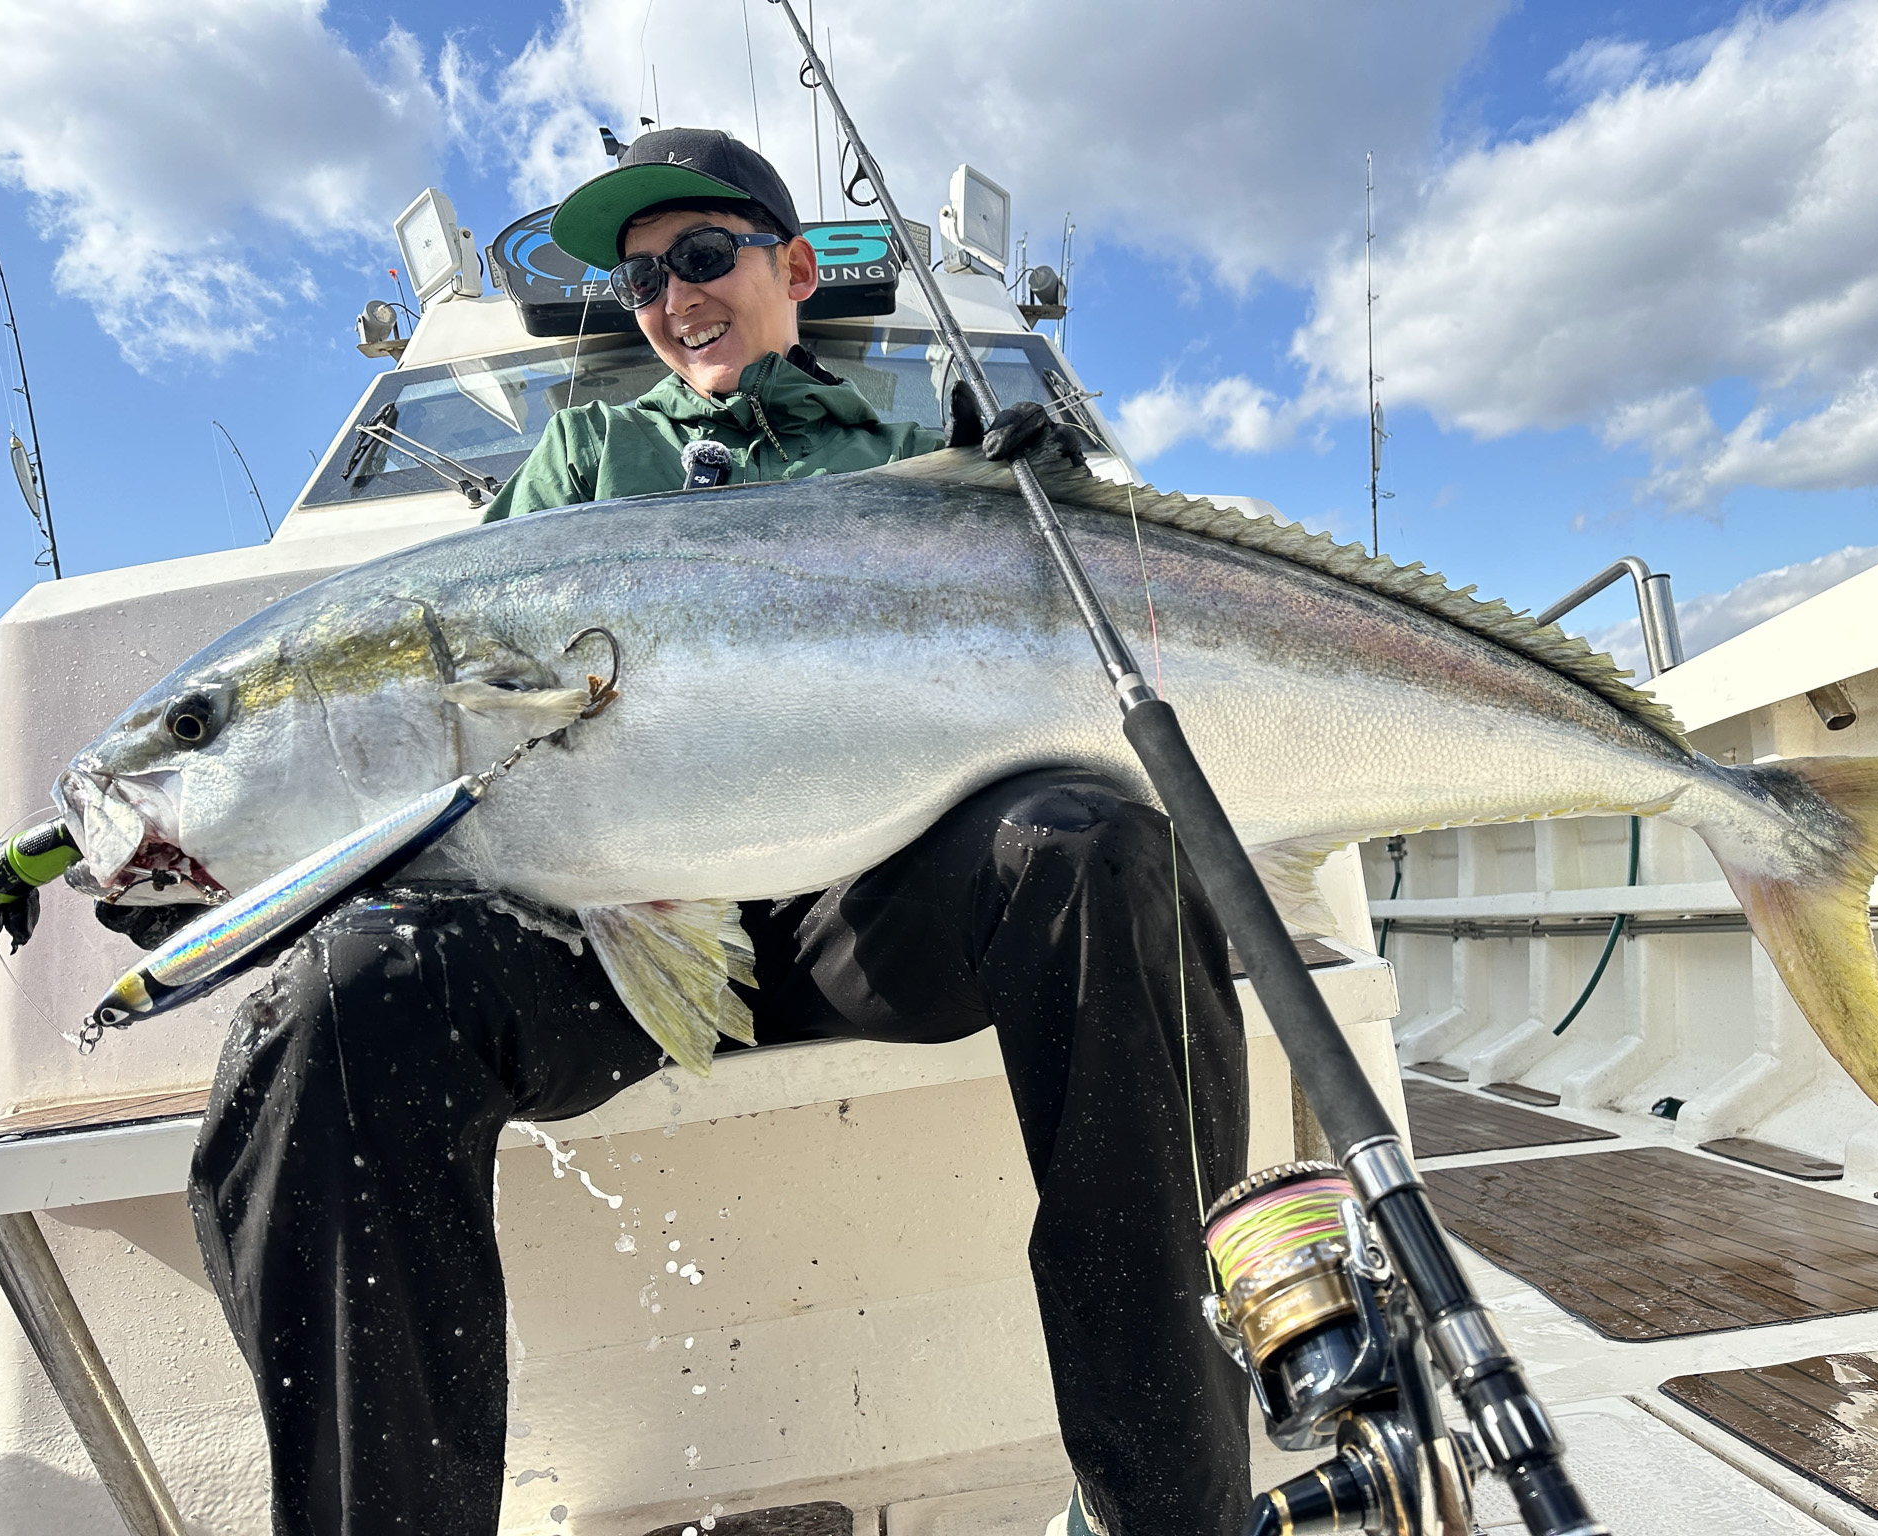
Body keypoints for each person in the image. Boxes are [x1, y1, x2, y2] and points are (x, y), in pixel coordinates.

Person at [130, 130, 1250, 1536]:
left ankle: (1176, 1511)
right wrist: (215, 848)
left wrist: (1042, 501)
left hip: (866, 909)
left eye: (703, 256)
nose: (672, 295)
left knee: (1101, 852)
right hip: (610, 933)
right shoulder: (579, 457)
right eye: (644, 279)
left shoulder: (915, 457)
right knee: (342, 997)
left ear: (791, 269)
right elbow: (450, 722)